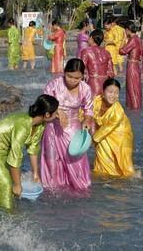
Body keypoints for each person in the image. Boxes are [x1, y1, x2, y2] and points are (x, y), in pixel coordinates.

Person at [0, 95, 59, 209]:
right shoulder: (23, 125)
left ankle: (4, 207)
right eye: (55, 113)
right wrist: (17, 185)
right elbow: (15, 157)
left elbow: (33, 148)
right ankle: (7, 216)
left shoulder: (41, 124)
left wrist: (35, 173)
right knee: (6, 184)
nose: (57, 115)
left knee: (9, 182)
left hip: (7, 149)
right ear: (47, 114)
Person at [41, 59, 95, 191]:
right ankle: (53, 189)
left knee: (74, 159)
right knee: (52, 160)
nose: (72, 80)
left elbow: (88, 110)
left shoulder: (85, 89)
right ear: (64, 73)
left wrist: (87, 121)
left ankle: (78, 188)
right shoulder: (54, 84)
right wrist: (57, 110)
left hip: (73, 129)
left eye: (77, 78)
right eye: (69, 76)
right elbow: (44, 103)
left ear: (83, 76)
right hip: (53, 128)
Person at [92, 79, 135, 177]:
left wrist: (94, 139)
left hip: (121, 137)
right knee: (103, 159)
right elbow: (87, 112)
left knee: (123, 167)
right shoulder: (97, 101)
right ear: (103, 92)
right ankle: (103, 176)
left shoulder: (118, 111)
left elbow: (107, 128)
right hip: (104, 135)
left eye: (116, 93)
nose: (113, 95)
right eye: (110, 92)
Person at [80, 29, 114, 97]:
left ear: (91, 38)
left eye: (89, 38)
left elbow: (82, 70)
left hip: (92, 83)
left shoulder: (86, 51)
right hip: (105, 84)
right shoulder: (107, 53)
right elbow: (111, 73)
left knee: (92, 106)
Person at [119, 22, 143, 109]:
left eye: (125, 30)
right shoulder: (138, 38)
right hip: (136, 65)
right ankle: (134, 108)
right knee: (135, 88)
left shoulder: (133, 39)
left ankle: (135, 109)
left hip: (132, 66)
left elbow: (122, 51)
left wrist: (123, 41)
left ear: (128, 30)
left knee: (132, 88)